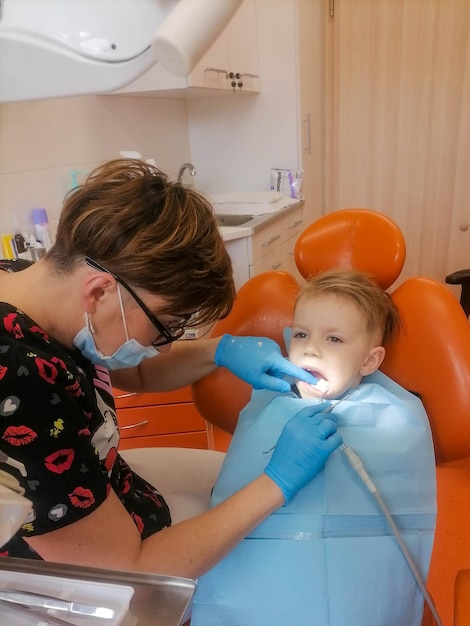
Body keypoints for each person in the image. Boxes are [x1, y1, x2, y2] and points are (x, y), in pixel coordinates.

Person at [0, 158, 342, 578]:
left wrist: (220, 350)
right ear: (100, 290)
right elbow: (130, 572)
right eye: (166, 325)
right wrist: (277, 482)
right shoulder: (19, 377)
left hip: (105, 494)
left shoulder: (32, 284)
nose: (161, 344)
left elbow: (136, 372)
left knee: (239, 487)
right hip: (80, 577)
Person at [191, 269, 437, 626]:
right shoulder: (267, 407)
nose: (311, 348)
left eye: (334, 339)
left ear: (369, 361)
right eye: (302, 334)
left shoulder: (394, 418)